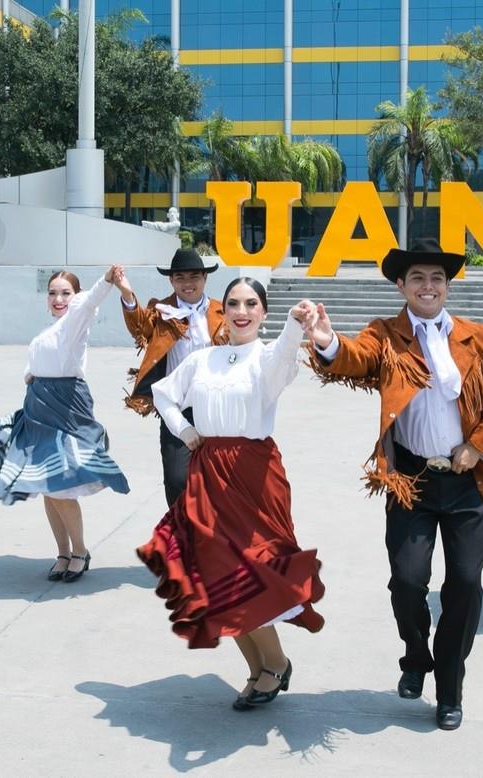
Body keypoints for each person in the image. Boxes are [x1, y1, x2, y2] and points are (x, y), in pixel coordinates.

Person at [308, 238, 483, 731]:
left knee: (466, 586)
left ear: (447, 286)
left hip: (467, 482)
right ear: (401, 285)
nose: (428, 287)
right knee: (408, 583)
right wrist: (326, 341)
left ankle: (450, 687)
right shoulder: (386, 334)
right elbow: (356, 357)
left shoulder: (475, 336)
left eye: (437, 279)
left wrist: (479, 446)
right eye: (418, 279)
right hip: (411, 480)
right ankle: (414, 655)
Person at [137, 278, 325, 712]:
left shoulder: (269, 357)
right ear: (224, 311)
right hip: (207, 473)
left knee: (254, 575)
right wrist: (185, 432)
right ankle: (263, 668)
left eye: (252, 304)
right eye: (235, 303)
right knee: (219, 580)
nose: (242, 311)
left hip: (255, 476)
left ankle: (274, 664)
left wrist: (296, 326)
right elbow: (164, 395)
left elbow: (280, 362)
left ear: (263, 311)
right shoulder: (203, 360)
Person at [0, 267, 131, 582]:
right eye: (52, 293)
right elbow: (35, 363)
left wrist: (107, 280)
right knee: (47, 486)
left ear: (75, 297)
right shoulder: (49, 329)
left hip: (66, 405)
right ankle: (62, 552)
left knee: (61, 486)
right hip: (38, 406)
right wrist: (29, 376)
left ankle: (80, 551)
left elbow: (89, 303)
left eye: (65, 293)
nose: (58, 299)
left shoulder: (75, 320)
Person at [117, 248, 229, 505]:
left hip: (216, 407)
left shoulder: (222, 311)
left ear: (205, 278)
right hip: (176, 408)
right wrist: (125, 291)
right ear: (171, 281)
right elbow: (139, 326)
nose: (188, 284)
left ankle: (213, 539)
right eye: (180, 278)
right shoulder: (162, 311)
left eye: (194, 277)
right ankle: (182, 537)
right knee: (178, 479)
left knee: (218, 480)